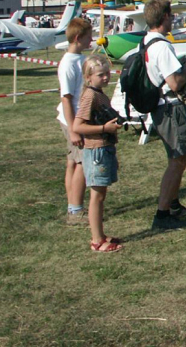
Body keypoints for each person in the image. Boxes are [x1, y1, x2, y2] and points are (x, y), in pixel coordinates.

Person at [143, 0, 186, 230]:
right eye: (171, 15)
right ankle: (162, 213)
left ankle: (173, 205)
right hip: (170, 108)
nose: (173, 19)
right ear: (165, 17)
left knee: (178, 158)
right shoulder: (162, 46)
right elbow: (174, 82)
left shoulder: (147, 41)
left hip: (160, 106)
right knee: (177, 160)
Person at [71, 56, 122, 253]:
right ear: (88, 77)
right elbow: (78, 125)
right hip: (96, 151)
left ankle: (100, 234)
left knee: (101, 193)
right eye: (101, 75)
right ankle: (97, 240)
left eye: (107, 73)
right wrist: (104, 127)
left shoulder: (99, 93)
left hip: (104, 147)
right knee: (97, 195)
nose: (106, 78)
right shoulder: (90, 96)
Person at [57, 17, 93, 225]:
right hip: (74, 120)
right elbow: (67, 98)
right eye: (89, 37)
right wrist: (73, 130)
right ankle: (76, 210)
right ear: (78, 38)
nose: (91, 40)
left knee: (72, 161)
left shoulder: (79, 59)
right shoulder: (68, 64)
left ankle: (73, 205)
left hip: (77, 118)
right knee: (81, 162)